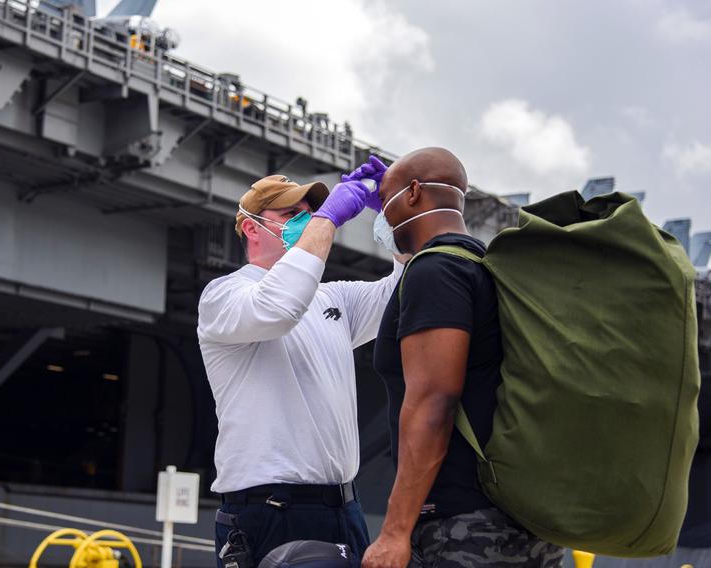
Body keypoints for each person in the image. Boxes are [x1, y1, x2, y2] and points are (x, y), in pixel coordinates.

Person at [362, 148, 564, 568]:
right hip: (520, 519)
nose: (383, 217)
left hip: (467, 528)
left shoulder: (436, 271)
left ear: (414, 192)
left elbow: (434, 403)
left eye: (385, 202)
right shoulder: (485, 266)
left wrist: (395, 531)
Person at [198, 165, 407, 568]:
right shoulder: (223, 296)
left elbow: (408, 290)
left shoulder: (335, 299)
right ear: (251, 228)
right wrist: (329, 219)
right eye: (290, 214)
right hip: (271, 509)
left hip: (344, 508)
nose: (306, 220)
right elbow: (280, 307)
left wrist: (396, 217)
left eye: (309, 212)